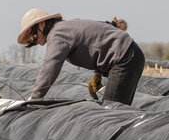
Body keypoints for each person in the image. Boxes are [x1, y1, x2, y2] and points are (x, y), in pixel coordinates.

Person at [17, 8, 145, 105]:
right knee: (119, 110)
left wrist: (33, 99)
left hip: (124, 58)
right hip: (128, 54)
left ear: (41, 24)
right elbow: (99, 43)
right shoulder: (65, 28)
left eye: (33, 35)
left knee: (111, 114)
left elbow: (50, 66)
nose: (36, 42)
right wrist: (98, 73)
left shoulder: (57, 35)